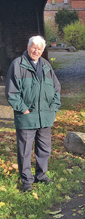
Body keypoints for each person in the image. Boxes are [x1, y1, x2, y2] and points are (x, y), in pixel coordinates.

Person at [5, 36, 61, 191]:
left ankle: (41, 175)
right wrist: (23, 109)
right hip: (26, 117)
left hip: (45, 117)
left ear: (43, 50)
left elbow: (56, 88)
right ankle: (27, 180)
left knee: (44, 149)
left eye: (39, 48)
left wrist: (54, 107)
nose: (36, 51)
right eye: (33, 47)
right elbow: (11, 92)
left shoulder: (46, 66)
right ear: (28, 46)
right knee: (25, 150)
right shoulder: (17, 65)